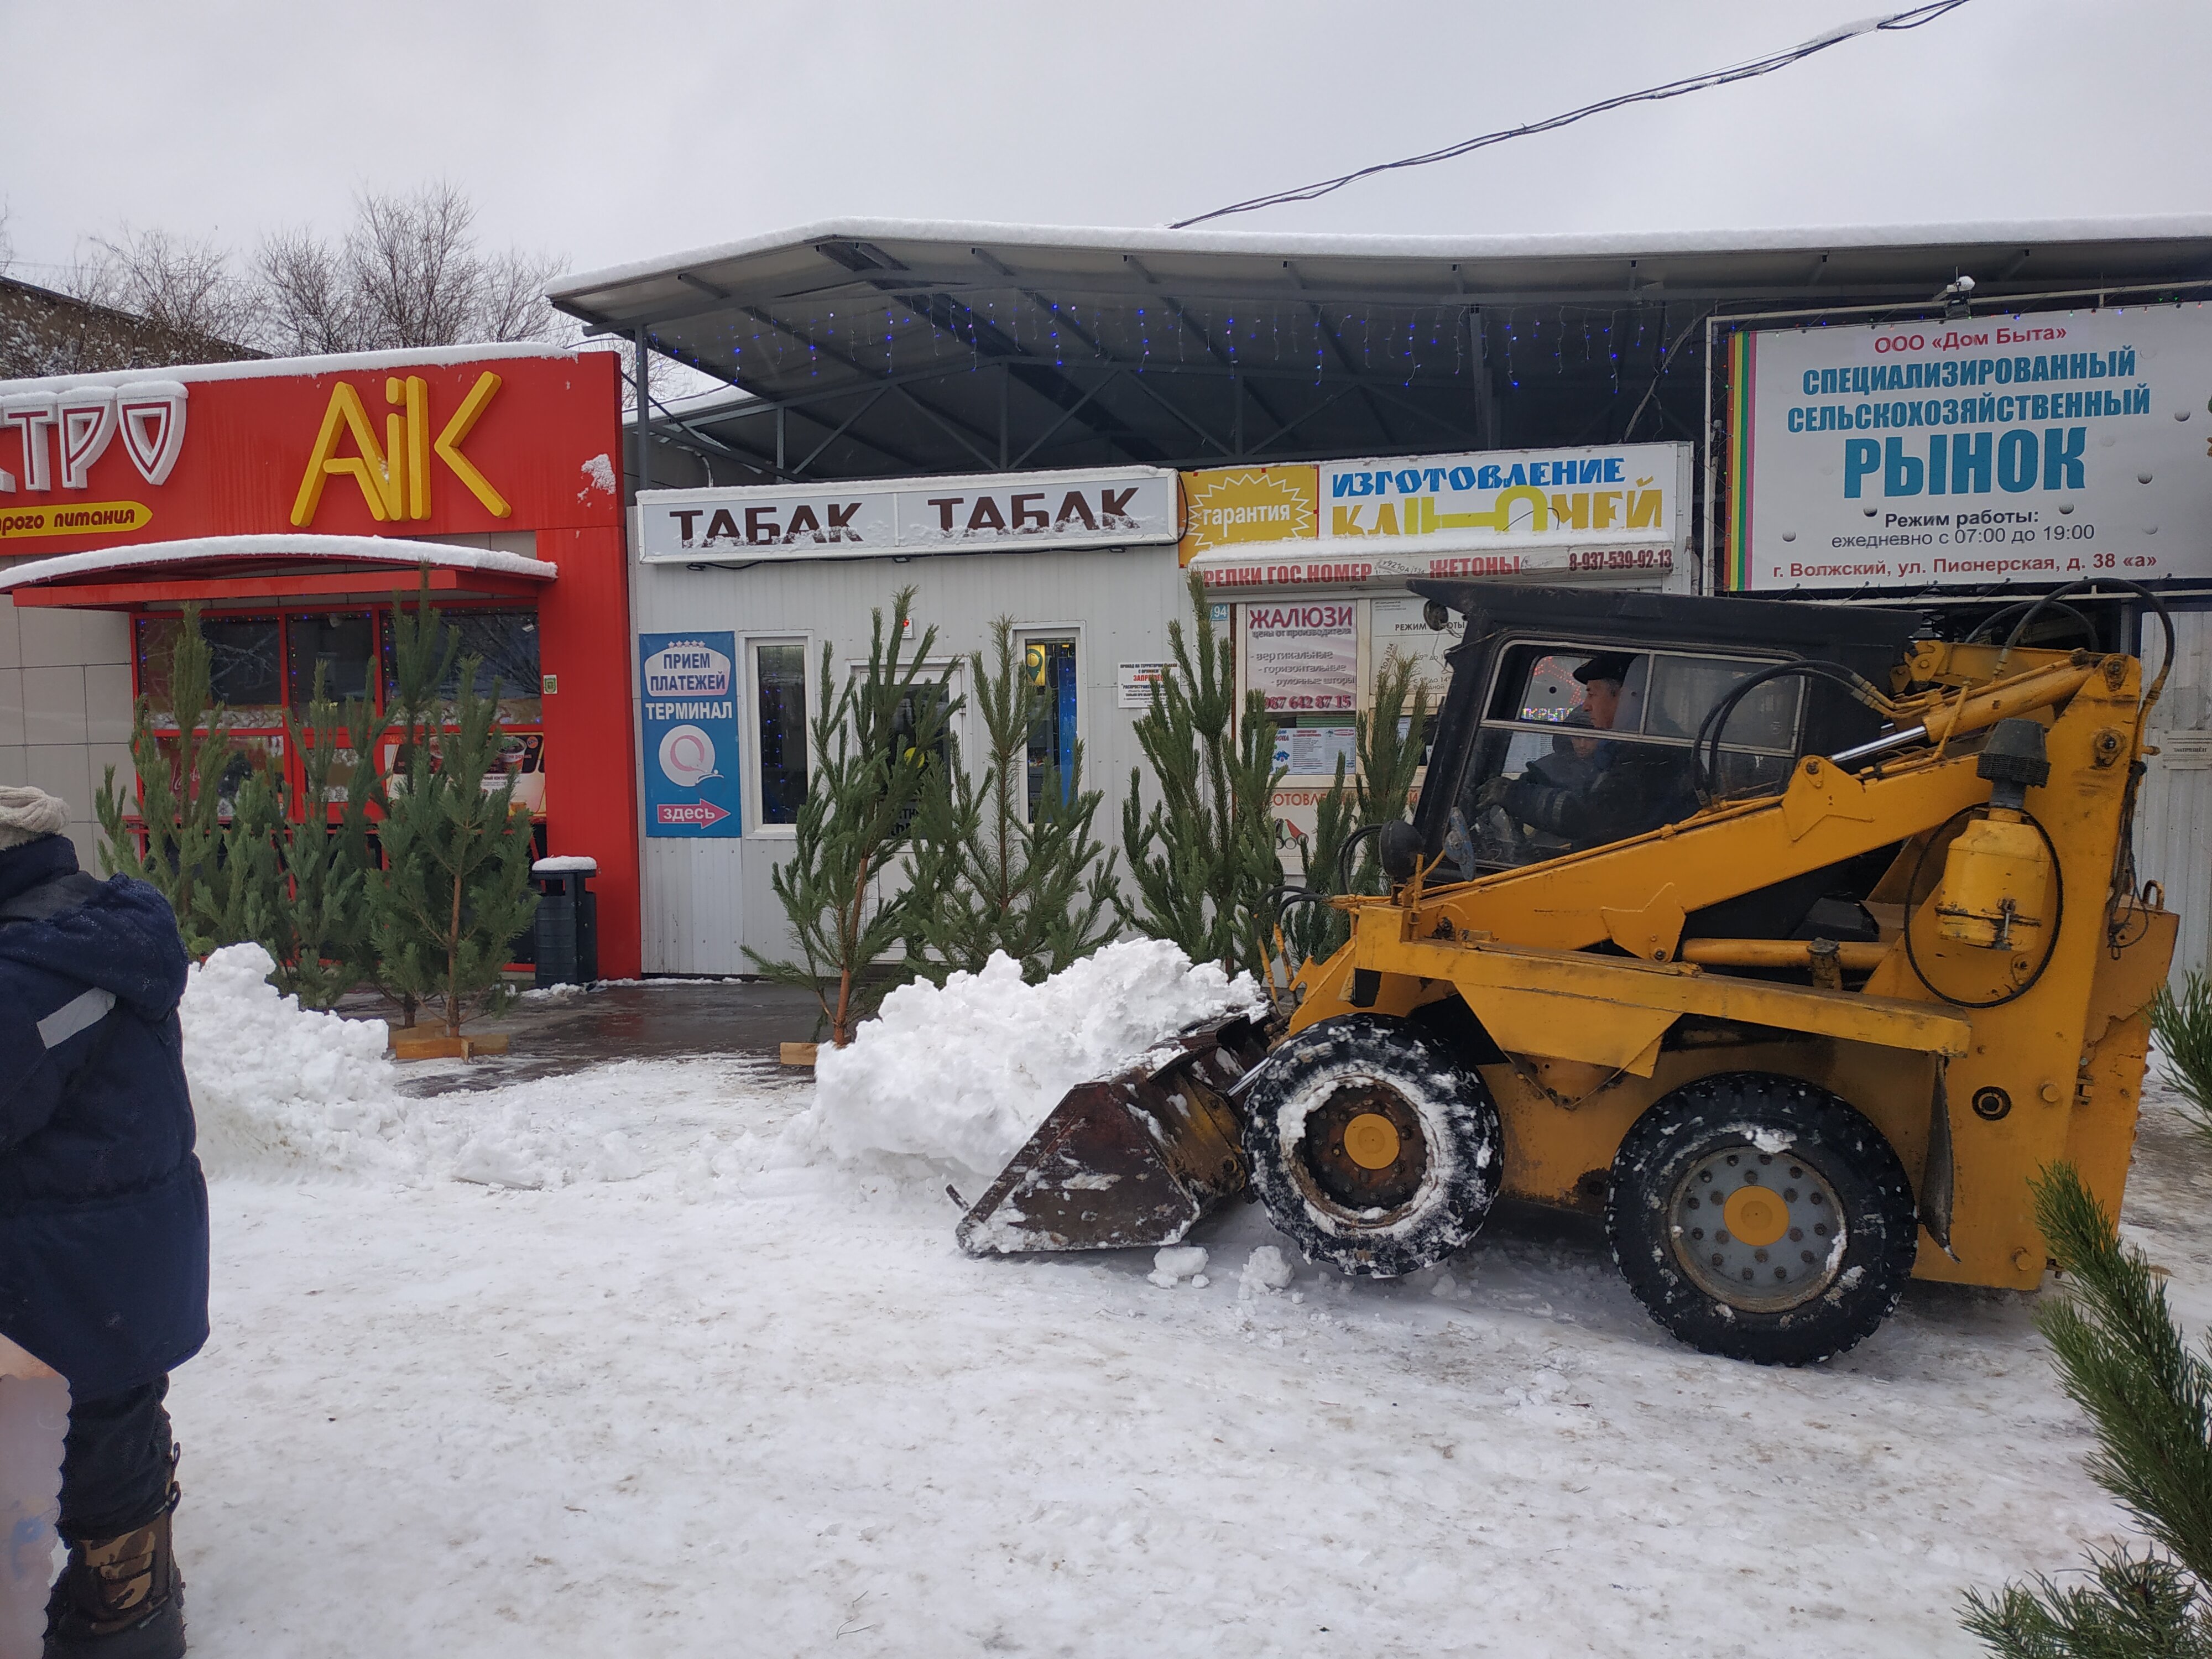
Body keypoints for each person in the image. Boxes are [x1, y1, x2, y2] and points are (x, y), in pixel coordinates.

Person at [0, 786, 204, 1659]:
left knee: (87, 1421)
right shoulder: (82, 927)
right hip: (116, 1241)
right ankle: (131, 1594)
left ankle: (127, 1610)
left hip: (67, 1249)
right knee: (111, 1407)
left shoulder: (30, 967)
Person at [1490, 653, 1697, 852]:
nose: (1586, 706)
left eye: (1592, 694)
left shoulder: (1651, 754)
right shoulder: (1634, 747)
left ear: (1628, 697)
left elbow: (1593, 819)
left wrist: (1514, 795)